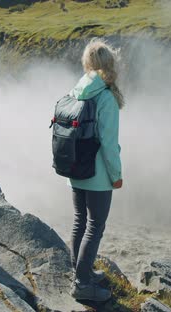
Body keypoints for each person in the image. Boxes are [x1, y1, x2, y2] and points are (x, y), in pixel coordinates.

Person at [68, 38, 124, 302]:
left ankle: (82, 271)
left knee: (80, 221)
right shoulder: (106, 97)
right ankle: (82, 285)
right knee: (95, 226)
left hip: (75, 167)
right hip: (98, 174)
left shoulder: (77, 89)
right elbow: (109, 144)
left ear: (88, 64)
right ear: (109, 65)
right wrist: (117, 175)